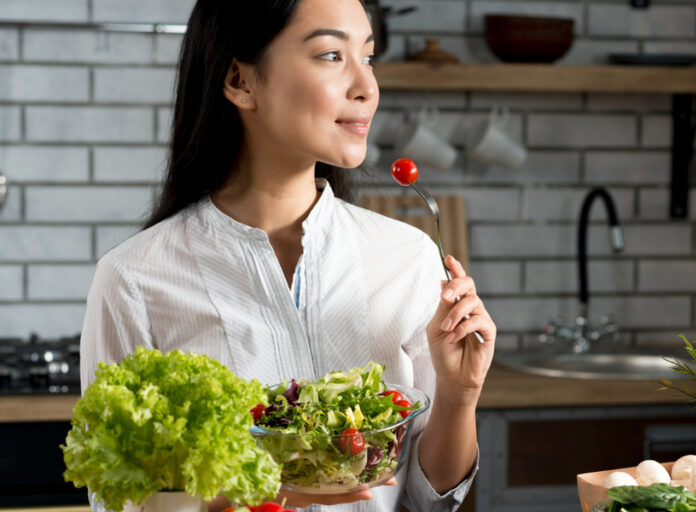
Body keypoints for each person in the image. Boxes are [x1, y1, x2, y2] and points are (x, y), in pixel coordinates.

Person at [78, 0, 496, 511]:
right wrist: (244, 490)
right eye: (329, 55)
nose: (366, 88)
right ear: (240, 81)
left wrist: (459, 393)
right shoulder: (134, 279)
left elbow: (427, 500)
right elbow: (117, 501)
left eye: (368, 57)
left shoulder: (407, 257)